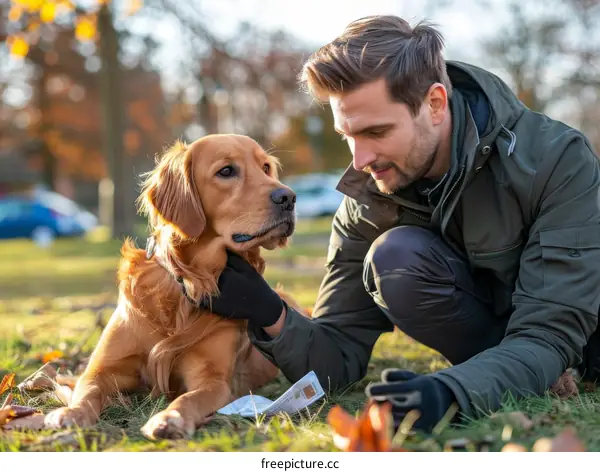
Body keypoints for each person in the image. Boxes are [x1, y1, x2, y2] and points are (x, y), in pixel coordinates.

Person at [201, 15, 600, 433]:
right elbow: (336, 360)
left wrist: (449, 393)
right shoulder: (368, 198)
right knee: (395, 257)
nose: (359, 159)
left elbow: (549, 333)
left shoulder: (556, 160)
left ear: (434, 103)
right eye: (348, 136)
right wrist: (270, 311)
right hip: (507, 353)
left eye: (377, 131)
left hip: (579, 342)